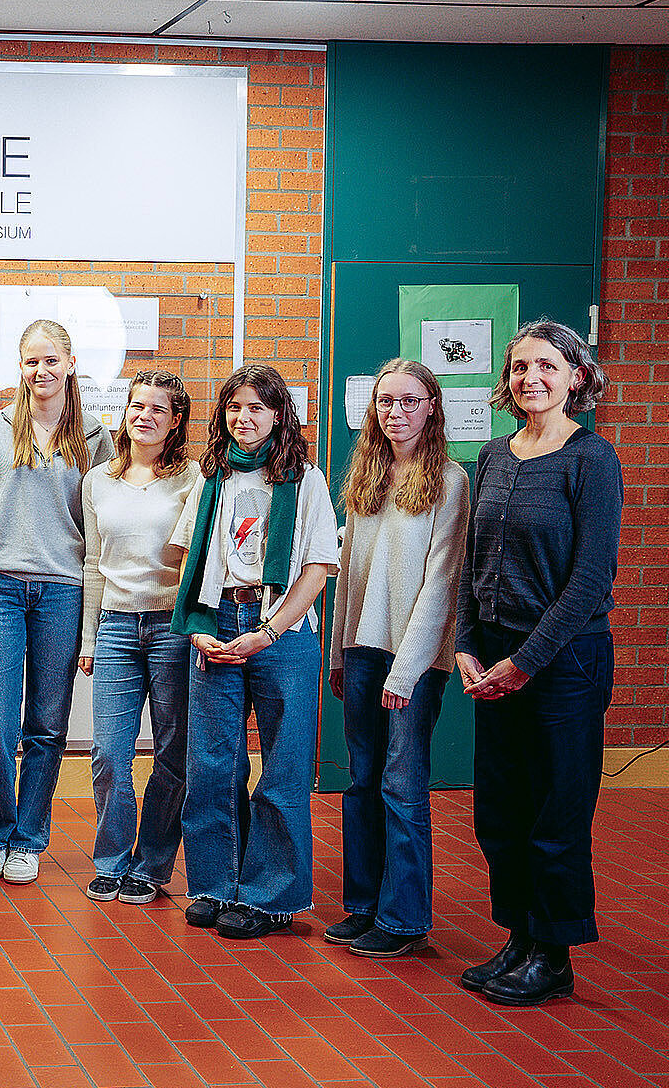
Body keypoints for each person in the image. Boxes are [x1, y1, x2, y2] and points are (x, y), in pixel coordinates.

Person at [455, 321, 619, 1007]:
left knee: (556, 812)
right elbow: (474, 561)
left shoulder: (592, 459)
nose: (532, 378)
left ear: (576, 376)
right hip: (497, 656)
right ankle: (520, 936)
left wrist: (525, 662)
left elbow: (590, 580)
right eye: (520, 366)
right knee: (501, 809)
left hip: (565, 664)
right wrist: (467, 642)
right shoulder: (493, 455)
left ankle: (553, 956)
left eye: (547, 366)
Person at [170, 364, 339, 940]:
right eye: (234, 407)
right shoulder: (211, 476)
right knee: (212, 764)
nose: (244, 418)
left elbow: (317, 569)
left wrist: (268, 631)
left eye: (257, 408)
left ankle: (270, 897)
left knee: (283, 766)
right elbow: (188, 559)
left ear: (278, 415)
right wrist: (198, 627)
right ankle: (215, 884)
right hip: (217, 619)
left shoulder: (306, 480)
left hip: (283, 629)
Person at [0, 319, 110, 887]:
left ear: (70, 364)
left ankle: (27, 840)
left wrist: (93, 616)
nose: (40, 371)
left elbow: (100, 533)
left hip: (63, 593)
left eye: (50, 360)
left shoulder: (95, 436)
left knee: (46, 725)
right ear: (19, 367)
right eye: (30, 361)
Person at [326, 360, 469, 959]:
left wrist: (407, 671)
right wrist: (338, 651)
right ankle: (363, 904)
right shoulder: (366, 475)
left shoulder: (451, 481)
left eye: (409, 401)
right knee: (362, 780)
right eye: (386, 401)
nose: (396, 412)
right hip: (361, 650)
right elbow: (347, 576)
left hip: (413, 659)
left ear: (431, 406)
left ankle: (404, 919)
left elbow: (442, 583)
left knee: (401, 785)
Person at [78, 369, 197, 906]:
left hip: (173, 627)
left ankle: (151, 866)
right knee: (109, 753)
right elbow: (92, 563)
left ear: (175, 421)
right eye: (136, 406)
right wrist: (88, 637)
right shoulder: (98, 480)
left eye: (157, 409)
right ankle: (110, 861)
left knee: (172, 754)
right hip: (116, 627)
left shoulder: (194, 479)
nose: (143, 417)